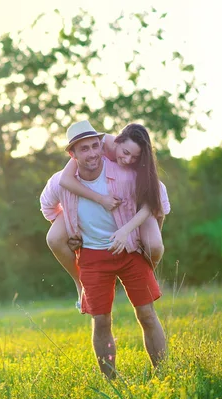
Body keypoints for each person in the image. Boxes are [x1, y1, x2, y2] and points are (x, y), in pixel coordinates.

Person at [40, 120, 166, 378]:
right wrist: (69, 228)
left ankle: (163, 373)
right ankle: (111, 381)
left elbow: (157, 198)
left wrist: (137, 233)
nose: (92, 153)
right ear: (72, 155)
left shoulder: (125, 173)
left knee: (147, 314)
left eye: (95, 146)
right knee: (101, 320)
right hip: (93, 258)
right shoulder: (59, 183)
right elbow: (47, 209)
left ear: (103, 145)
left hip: (130, 252)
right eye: (84, 149)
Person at [46, 123, 170, 309]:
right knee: (54, 238)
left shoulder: (134, 169)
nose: (128, 159)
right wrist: (72, 230)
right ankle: (80, 284)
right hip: (94, 201)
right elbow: (64, 182)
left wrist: (130, 230)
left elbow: (155, 201)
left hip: (142, 205)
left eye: (134, 157)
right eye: (125, 153)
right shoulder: (99, 145)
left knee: (154, 245)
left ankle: (145, 277)